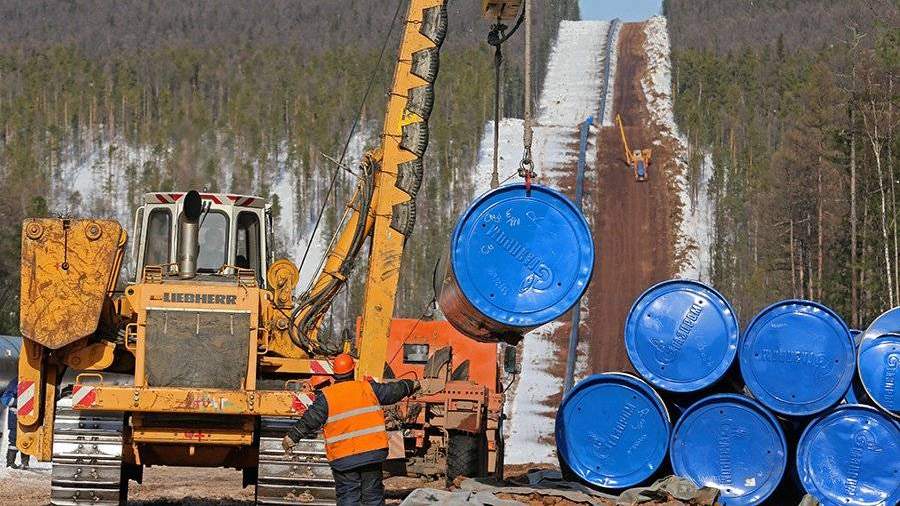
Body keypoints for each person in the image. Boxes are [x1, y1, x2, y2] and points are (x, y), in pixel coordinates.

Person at [282, 353, 419, 506]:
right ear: (353, 370)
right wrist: (410, 385)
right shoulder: (367, 388)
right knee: (372, 497)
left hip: (343, 458)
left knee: (348, 497)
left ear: (334, 374)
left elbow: (310, 419)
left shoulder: (327, 397)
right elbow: (393, 391)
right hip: (371, 453)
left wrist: (292, 437)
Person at [1, 379, 29, 469]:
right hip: (15, 417)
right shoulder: (16, 382)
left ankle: (24, 463)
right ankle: (11, 463)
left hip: (27, 417)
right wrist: (21, 402)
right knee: (14, 440)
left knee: (27, 438)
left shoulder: (17, 381)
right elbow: (5, 399)